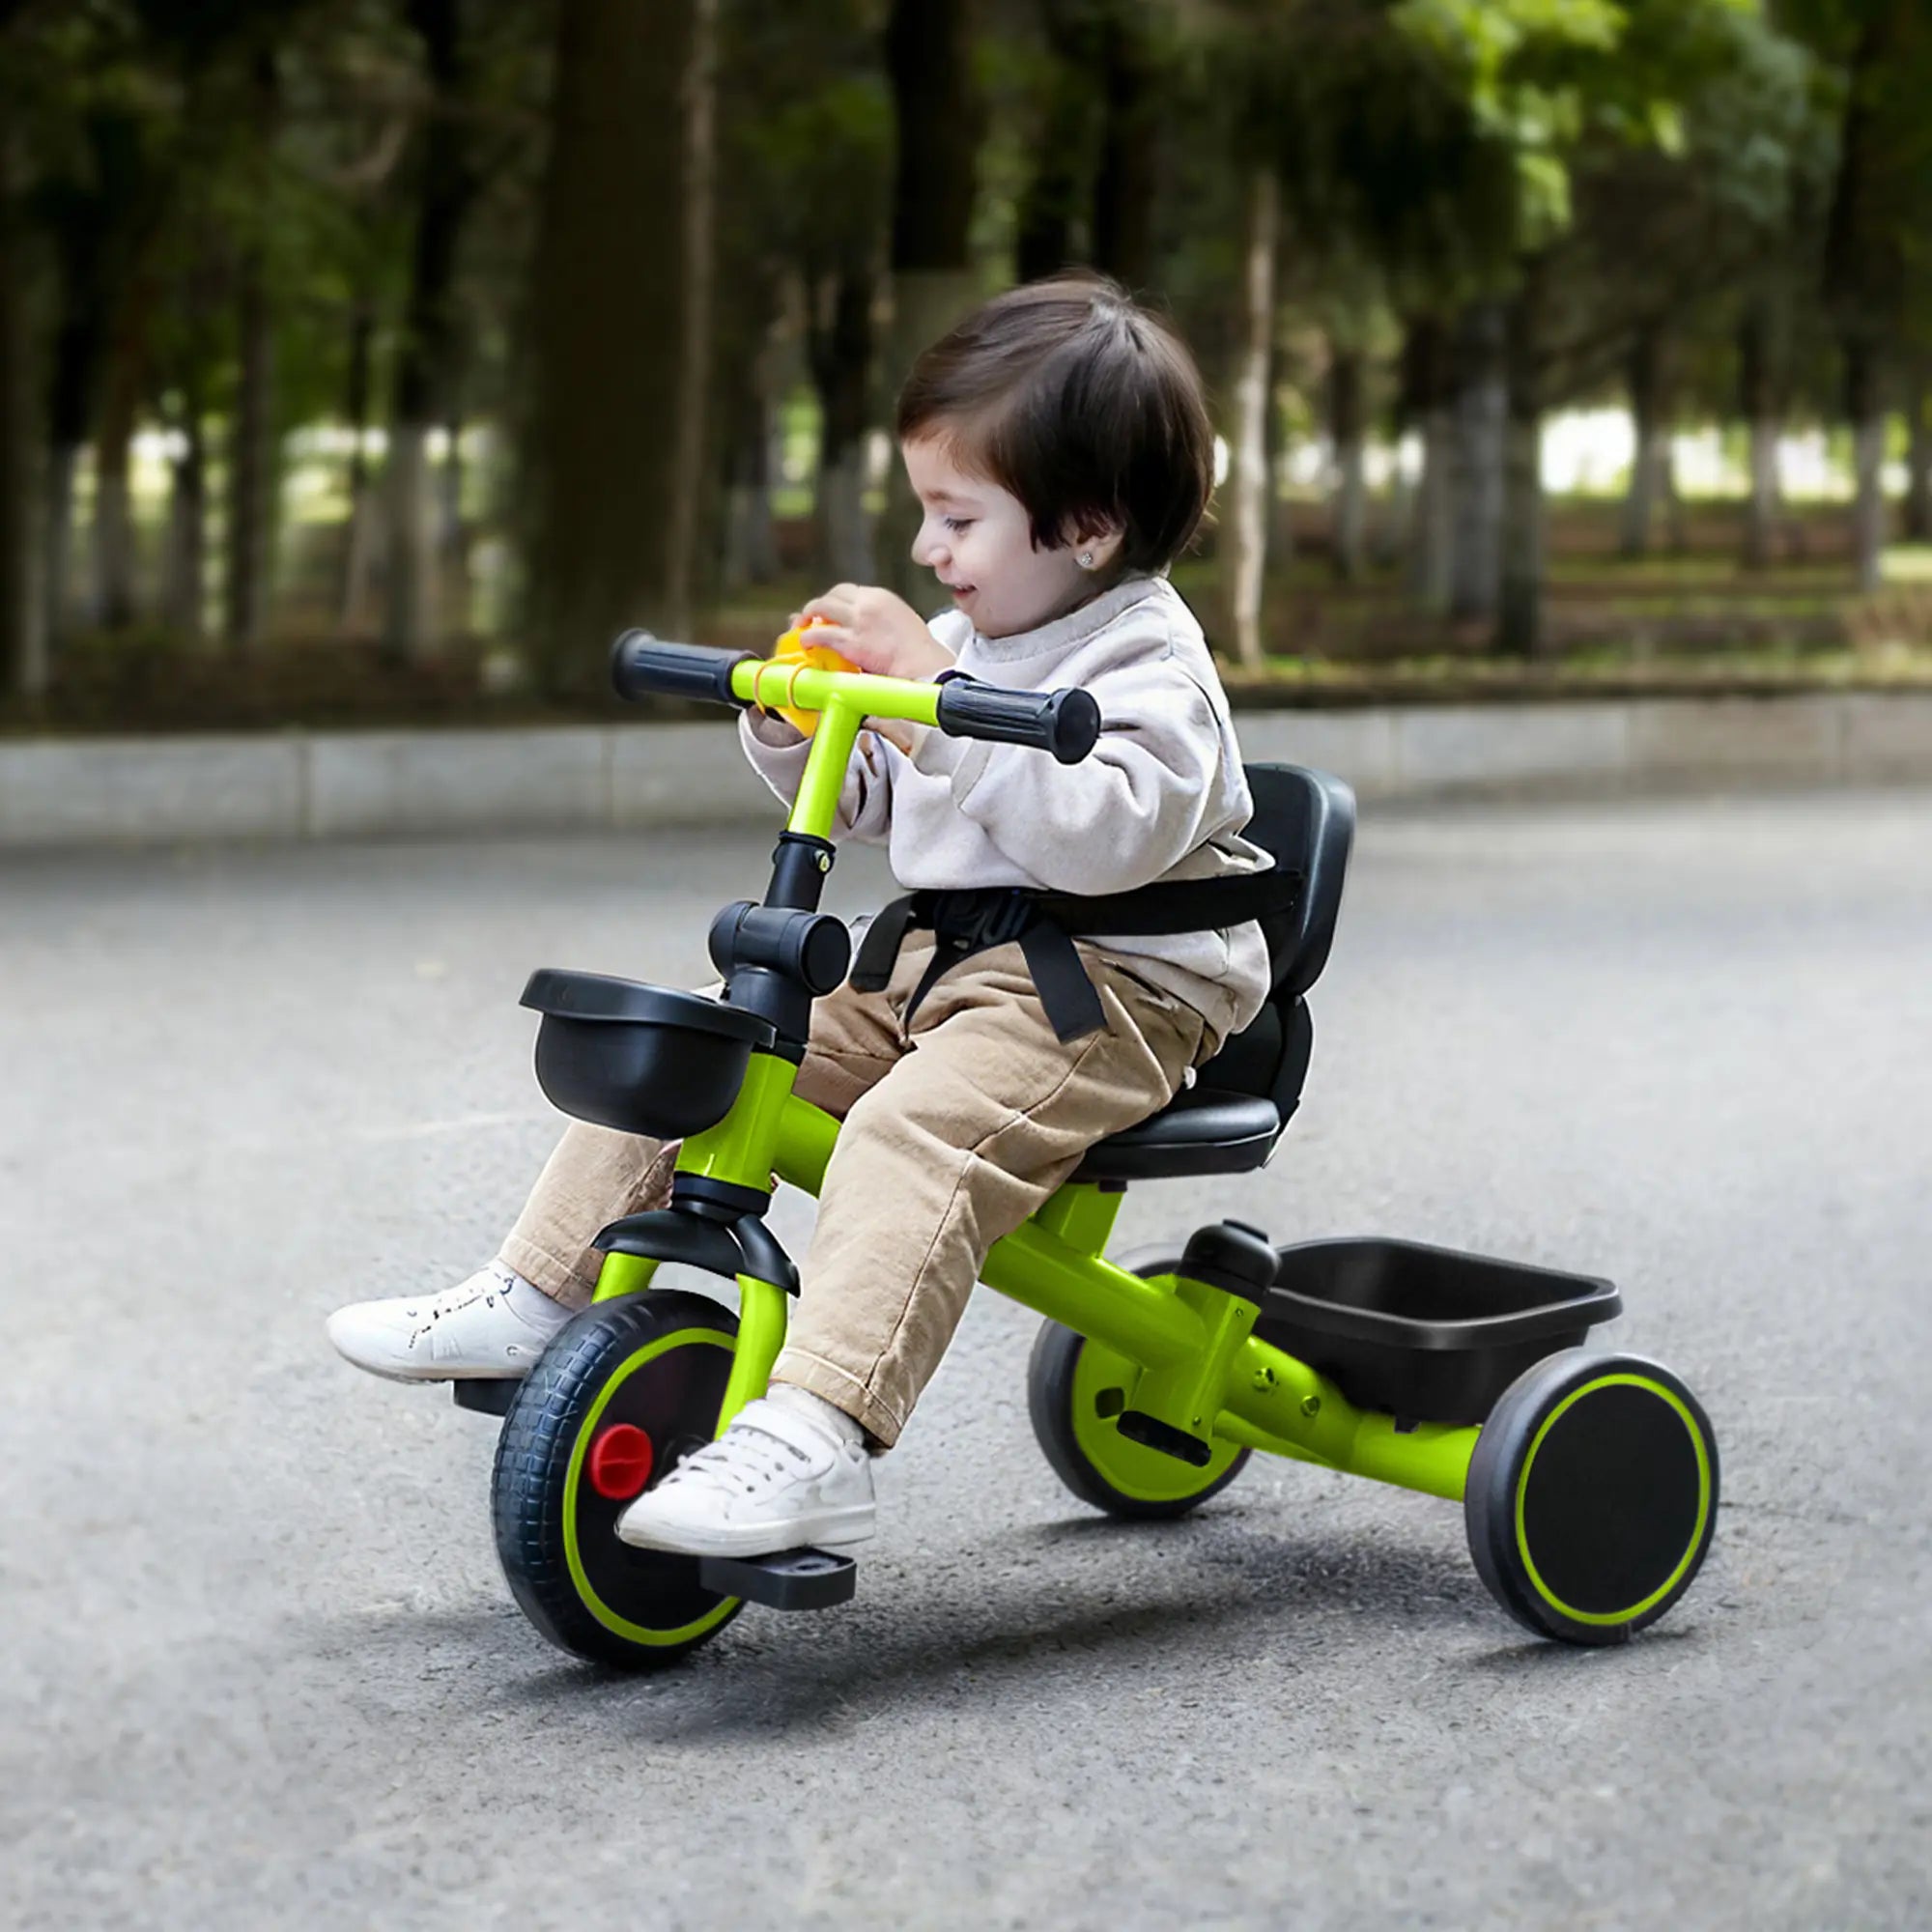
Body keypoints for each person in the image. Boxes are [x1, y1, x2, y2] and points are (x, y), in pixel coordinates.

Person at [327, 273, 1272, 1559]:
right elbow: (889, 788)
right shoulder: (974, 629)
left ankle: (816, 1430)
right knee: (714, 1050)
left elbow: (1098, 842)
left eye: (959, 518)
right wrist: (798, 719)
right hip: (944, 969)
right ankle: (540, 1288)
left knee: (908, 1136)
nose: (932, 552)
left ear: (1091, 524)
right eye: (926, 514)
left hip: (1110, 995)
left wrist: (931, 684)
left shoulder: (1151, 672)